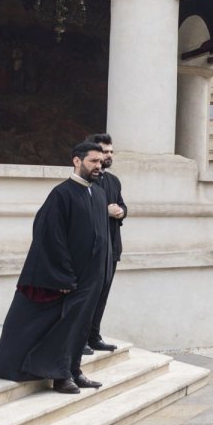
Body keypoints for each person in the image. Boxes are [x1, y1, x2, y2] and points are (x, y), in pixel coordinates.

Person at [0, 141, 110, 393]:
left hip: (91, 278)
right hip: (69, 279)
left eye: (101, 162)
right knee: (63, 327)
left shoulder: (98, 193)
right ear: (77, 161)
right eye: (93, 161)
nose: (99, 166)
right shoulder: (61, 194)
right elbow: (49, 237)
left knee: (80, 327)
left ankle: (74, 370)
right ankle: (60, 377)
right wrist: (62, 277)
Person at [82, 133, 126, 355]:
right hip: (91, 251)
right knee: (86, 296)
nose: (108, 156)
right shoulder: (86, 181)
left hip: (112, 250)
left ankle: (94, 336)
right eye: (103, 152)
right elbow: (80, 212)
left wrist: (120, 212)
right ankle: (79, 340)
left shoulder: (114, 181)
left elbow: (122, 206)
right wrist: (104, 210)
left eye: (110, 152)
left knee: (102, 295)